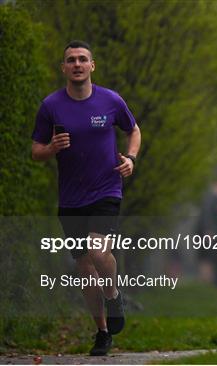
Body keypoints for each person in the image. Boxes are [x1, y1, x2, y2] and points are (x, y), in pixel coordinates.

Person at [31, 40, 141, 356]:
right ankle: (102, 332)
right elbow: (35, 151)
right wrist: (50, 149)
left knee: (97, 249)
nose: (77, 64)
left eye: (82, 59)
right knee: (84, 269)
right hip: (70, 199)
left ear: (92, 66)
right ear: (64, 68)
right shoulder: (50, 106)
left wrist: (131, 159)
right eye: (71, 60)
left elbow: (133, 130)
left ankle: (113, 292)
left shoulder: (110, 101)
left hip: (107, 189)